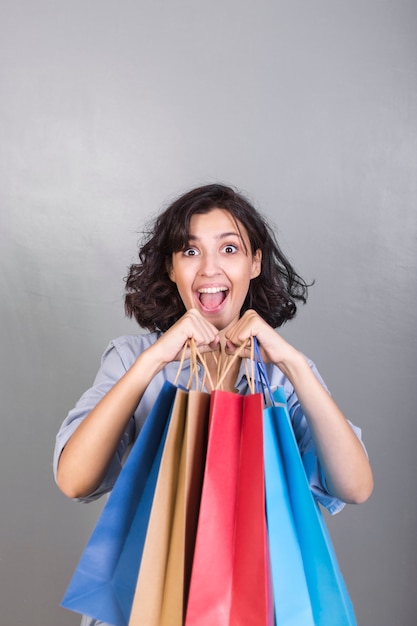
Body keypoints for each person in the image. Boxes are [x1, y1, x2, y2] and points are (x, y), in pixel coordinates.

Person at [54, 183, 373, 625]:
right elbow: (74, 480)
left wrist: (294, 363)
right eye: (189, 251)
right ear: (170, 266)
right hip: (146, 601)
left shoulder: (282, 372)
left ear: (255, 262)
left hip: (258, 606)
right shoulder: (133, 359)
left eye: (229, 249)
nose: (209, 268)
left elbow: (354, 487)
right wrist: (154, 359)